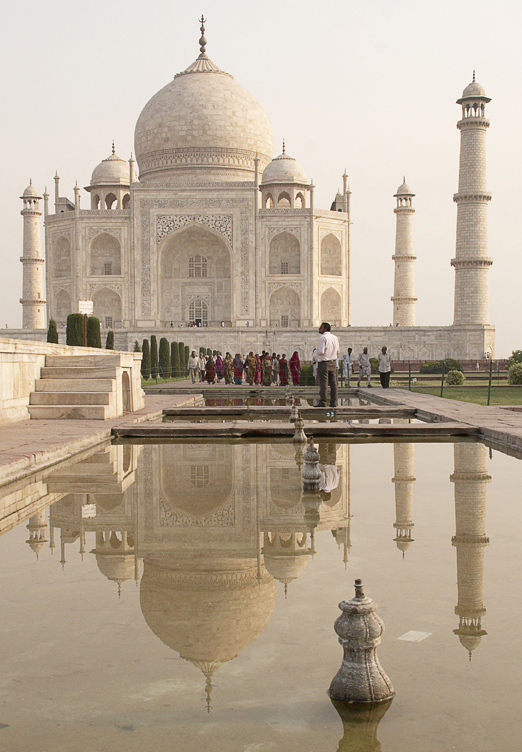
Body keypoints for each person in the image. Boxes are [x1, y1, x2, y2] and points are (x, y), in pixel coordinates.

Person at [316, 322, 340, 407]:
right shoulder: (335, 338)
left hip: (324, 363)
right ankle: (334, 402)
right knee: (333, 383)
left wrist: (315, 351)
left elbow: (321, 352)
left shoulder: (323, 337)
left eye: (321, 327)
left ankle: (323, 402)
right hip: (332, 363)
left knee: (323, 383)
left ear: (325, 329)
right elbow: (338, 351)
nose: (319, 329)